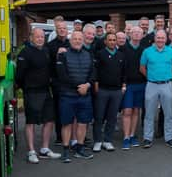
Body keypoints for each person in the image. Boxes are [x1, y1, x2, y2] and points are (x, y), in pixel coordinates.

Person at [16, 28, 61, 163]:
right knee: (31, 122)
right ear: (32, 38)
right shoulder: (25, 52)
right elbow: (19, 74)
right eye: (37, 37)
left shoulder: (46, 50)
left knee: (49, 120)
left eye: (42, 37)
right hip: (31, 91)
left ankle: (44, 149)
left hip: (45, 91)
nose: (40, 39)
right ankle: (31, 151)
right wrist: (23, 87)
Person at [56, 31, 94, 162]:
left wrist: (87, 85)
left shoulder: (88, 55)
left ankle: (80, 148)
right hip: (68, 95)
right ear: (70, 40)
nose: (77, 41)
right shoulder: (63, 55)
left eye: (79, 39)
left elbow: (93, 74)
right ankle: (66, 150)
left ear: (83, 40)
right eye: (75, 39)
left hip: (85, 96)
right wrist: (79, 87)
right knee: (66, 123)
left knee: (83, 123)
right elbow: (62, 75)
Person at [140, 30, 172, 148]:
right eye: (158, 37)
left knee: (168, 113)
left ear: (166, 39)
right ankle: (147, 138)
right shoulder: (147, 51)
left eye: (162, 38)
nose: (160, 40)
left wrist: (167, 76)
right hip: (151, 85)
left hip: (167, 85)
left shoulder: (171, 51)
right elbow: (142, 68)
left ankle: (169, 137)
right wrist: (151, 77)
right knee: (149, 113)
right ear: (155, 38)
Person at [92, 33, 126, 153]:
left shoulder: (121, 55)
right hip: (102, 90)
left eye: (114, 40)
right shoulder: (100, 54)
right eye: (110, 40)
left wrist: (123, 85)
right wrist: (95, 84)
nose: (112, 42)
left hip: (116, 91)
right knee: (99, 117)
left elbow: (123, 72)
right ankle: (97, 141)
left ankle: (107, 140)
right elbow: (94, 70)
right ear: (105, 41)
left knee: (112, 117)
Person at [121, 26, 146, 150]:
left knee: (136, 111)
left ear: (142, 36)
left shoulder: (144, 50)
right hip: (128, 85)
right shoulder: (123, 49)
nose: (136, 34)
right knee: (127, 111)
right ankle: (125, 137)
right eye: (134, 32)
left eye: (139, 33)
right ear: (129, 34)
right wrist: (123, 83)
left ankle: (132, 135)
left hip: (141, 84)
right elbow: (120, 68)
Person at [46, 16, 70, 145]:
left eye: (64, 28)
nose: (62, 30)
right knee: (59, 108)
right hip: (57, 82)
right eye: (60, 28)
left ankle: (70, 135)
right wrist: (57, 55)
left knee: (70, 108)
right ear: (56, 30)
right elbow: (47, 64)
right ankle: (60, 136)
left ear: (67, 30)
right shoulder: (50, 45)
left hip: (70, 82)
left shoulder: (71, 43)